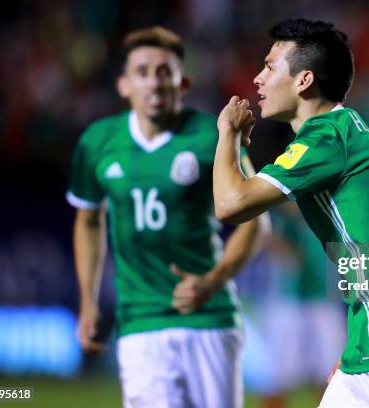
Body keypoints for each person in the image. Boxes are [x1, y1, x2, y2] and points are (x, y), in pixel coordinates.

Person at [213, 18, 369, 407]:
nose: (257, 79)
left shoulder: (329, 137)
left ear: (303, 80)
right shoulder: (339, 134)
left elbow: (230, 204)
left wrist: (227, 135)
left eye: (269, 67)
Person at [67, 26, 268, 408]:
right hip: (141, 321)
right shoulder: (97, 143)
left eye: (164, 72)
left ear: (184, 82)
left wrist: (212, 281)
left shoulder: (212, 136)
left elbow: (257, 225)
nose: (154, 83)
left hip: (210, 317)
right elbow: (88, 220)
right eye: (142, 72)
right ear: (124, 85)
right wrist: (89, 302)